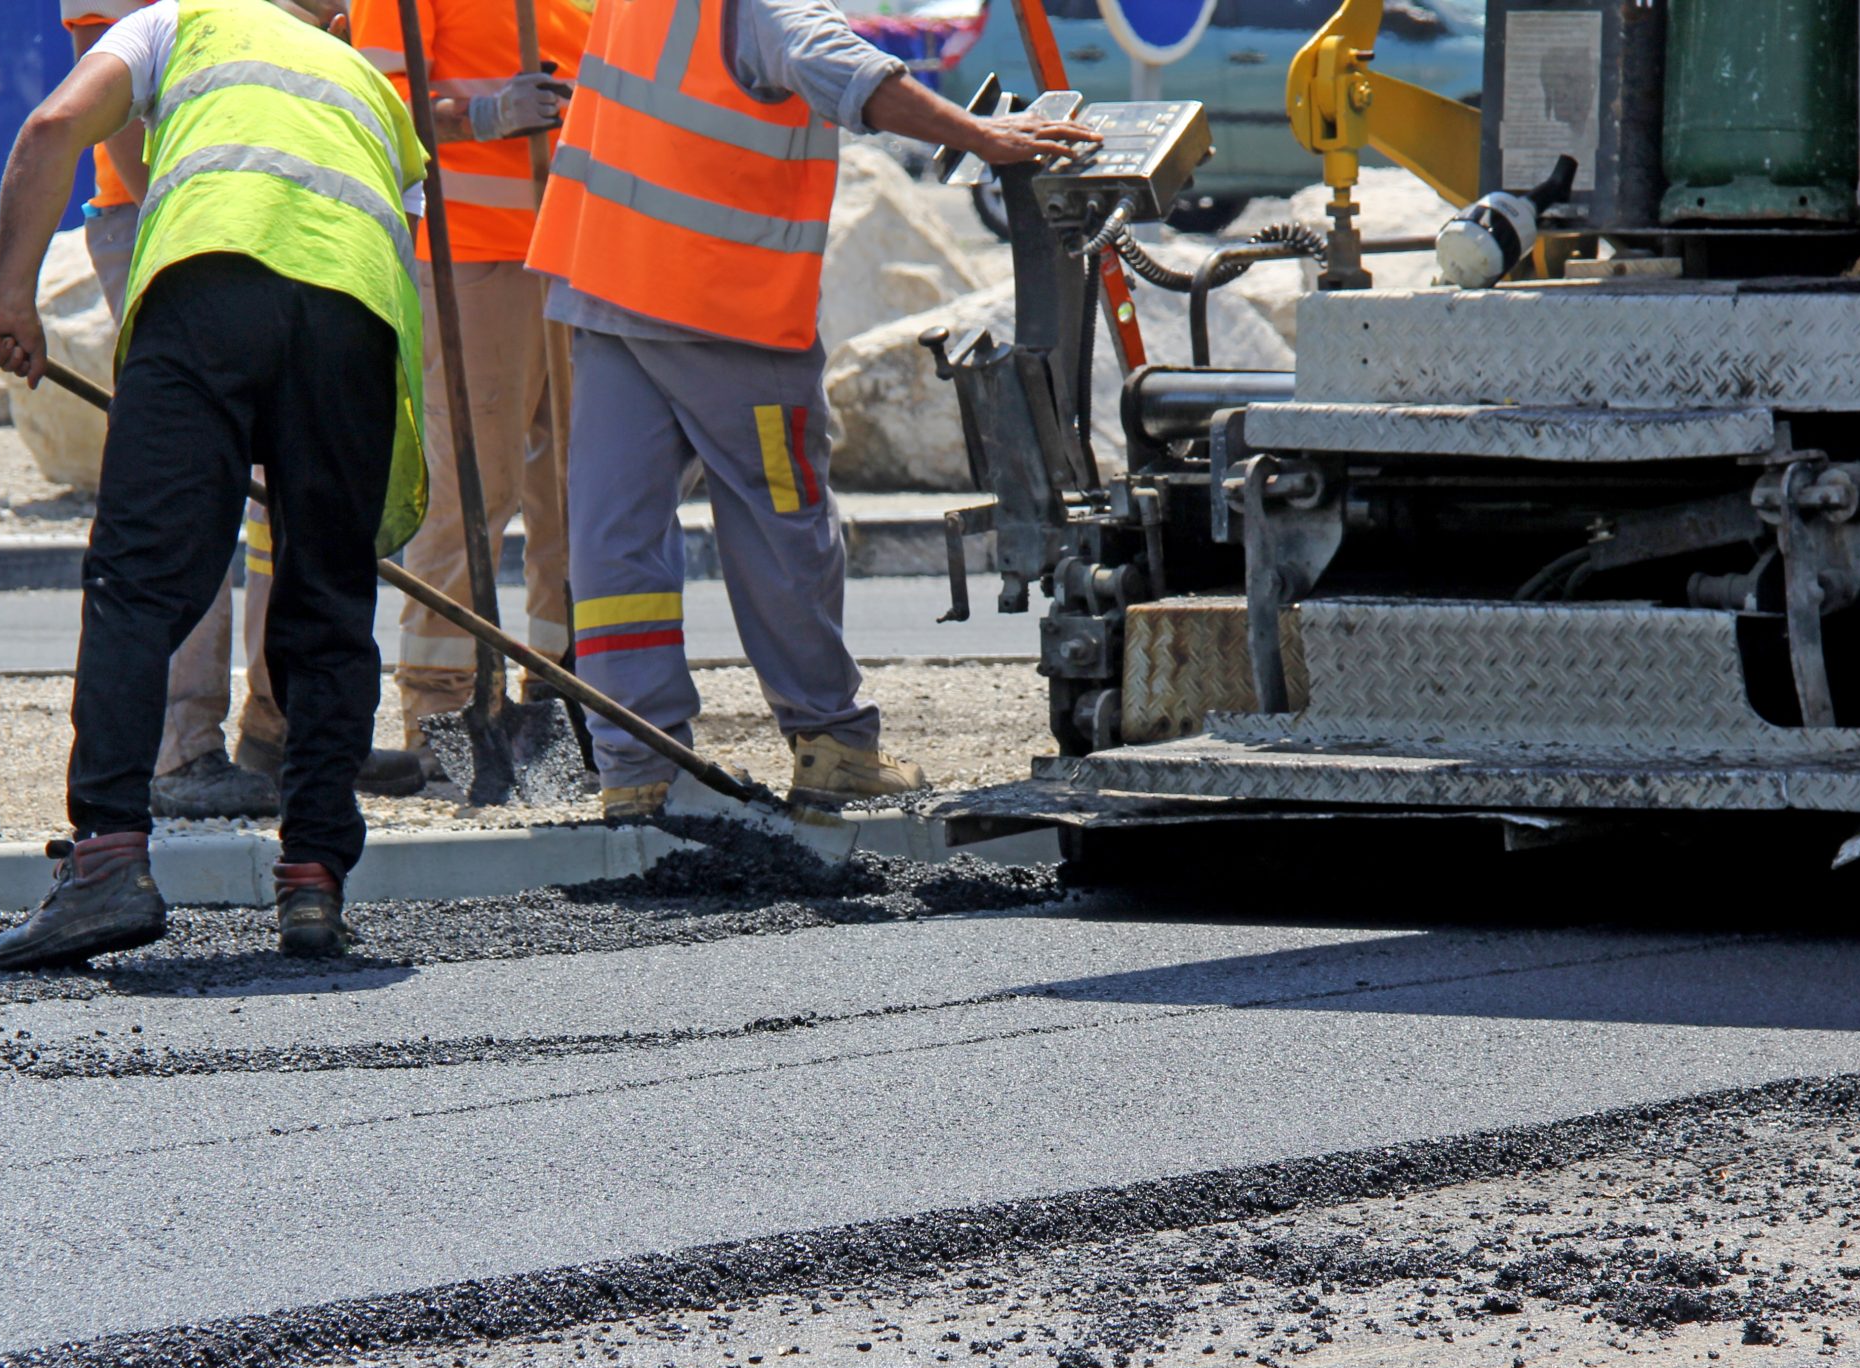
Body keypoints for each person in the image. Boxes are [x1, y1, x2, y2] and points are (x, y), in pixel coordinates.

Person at [525, 0, 1095, 818]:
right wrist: (985, 138)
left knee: (614, 533)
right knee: (781, 522)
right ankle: (833, 742)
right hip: (722, 304)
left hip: (606, 280)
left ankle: (638, 761)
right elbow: (850, 72)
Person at [0, 0, 433, 967]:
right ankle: (313, 879)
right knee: (326, 597)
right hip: (355, 315)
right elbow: (397, 255)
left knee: (141, 581)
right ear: (339, 18)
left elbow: (55, 124)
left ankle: (105, 866)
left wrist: (13, 297)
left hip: (207, 285)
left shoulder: (182, 21)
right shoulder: (375, 92)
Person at [61, 0, 433, 823]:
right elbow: (92, 66)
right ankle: (184, 745)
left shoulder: (335, 60)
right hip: (179, 206)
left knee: (298, 528)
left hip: (290, 211)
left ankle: (284, 724)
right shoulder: (179, 25)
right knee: (169, 535)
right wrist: (185, 198)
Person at [350, 0, 588, 741]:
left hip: (579, 251)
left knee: (579, 493)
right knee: (472, 487)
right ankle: (440, 704)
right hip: (476, 256)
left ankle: (563, 681)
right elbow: (374, 107)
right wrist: (484, 116)